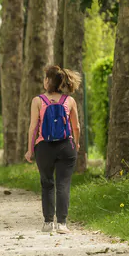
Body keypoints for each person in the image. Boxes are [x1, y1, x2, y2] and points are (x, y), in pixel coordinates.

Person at [25, 65, 82, 234]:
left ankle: (48, 222)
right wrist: (76, 144)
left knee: (47, 184)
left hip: (44, 147)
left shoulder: (38, 100)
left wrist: (30, 150)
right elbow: (76, 126)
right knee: (63, 184)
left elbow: (33, 128)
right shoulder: (69, 101)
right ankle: (62, 223)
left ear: (48, 81)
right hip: (66, 146)